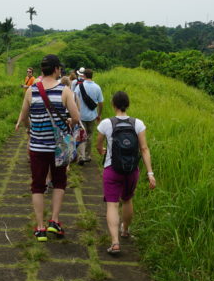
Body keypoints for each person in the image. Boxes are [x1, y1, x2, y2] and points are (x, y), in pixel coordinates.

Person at [15, 54, 80, 242]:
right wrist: (68, 122)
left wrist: (29, 128)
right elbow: (76, 118)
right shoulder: (65, 91)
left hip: (37, 146)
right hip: (59, 147)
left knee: (38, 186)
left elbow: (24, 115)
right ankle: (54, 221)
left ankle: (40, 228)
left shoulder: (31, 91)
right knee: (59, 182)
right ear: (56, 69)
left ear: (42, 70)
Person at [95, 91, 155, 255]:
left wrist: (102, 152)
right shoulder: (138, 123)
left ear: (113, 105)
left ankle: (115, 243)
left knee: (112, 204)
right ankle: (125, 230)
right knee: (127, 200)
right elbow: (144, 149)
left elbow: (98, 144)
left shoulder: (107, 123)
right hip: (131, 170)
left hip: (111, 169)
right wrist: (150, 173)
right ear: (127, 105)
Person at [73, 68, 103, 165]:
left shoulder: (79, 87)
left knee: (81, 135)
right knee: (89, 135)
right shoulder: (97, 87)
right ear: (92, 76)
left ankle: (81, 156)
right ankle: (88, 155)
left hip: (81, 115)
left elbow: (74, 100)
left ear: (84, 76)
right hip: (92, 116)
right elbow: (101, 103)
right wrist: (99, 114)